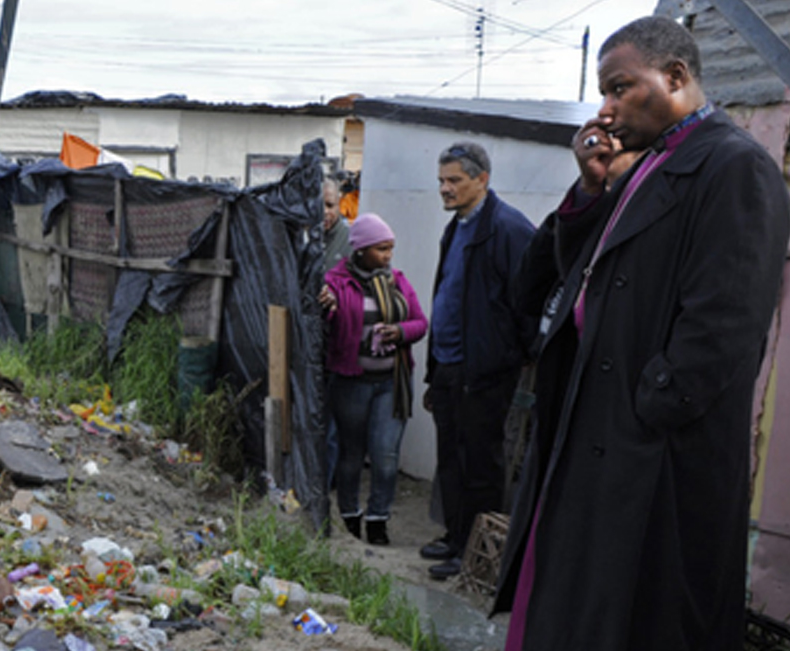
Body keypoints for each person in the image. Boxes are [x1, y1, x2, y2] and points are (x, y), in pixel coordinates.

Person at [495, 16, 790, 650]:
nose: (605, 108)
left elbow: (726, 323)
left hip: (648, 449)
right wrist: (591, 189)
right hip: (594, 428)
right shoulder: (649, 167)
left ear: (676, 77)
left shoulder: (734, 167)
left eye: (620, 87)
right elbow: (561, 279)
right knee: (572, 607)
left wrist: (648, 406)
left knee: (637, 616)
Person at [420, 141, 534, 580]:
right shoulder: (457, 227)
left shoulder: (507, 228)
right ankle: (454, 536)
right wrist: (434, 372)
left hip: (483, 371)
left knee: (480, 462)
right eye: (442, 181)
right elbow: (447, 295)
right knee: (450, 457)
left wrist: (511, 356)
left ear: (481, 180)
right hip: (450, 367)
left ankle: (474, 551)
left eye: (454, 181)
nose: (445, 189)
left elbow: (528, 298)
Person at [318, 213, 426, 544]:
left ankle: (378, 520)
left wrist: (399, 331)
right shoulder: (335, 283)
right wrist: (327, 308)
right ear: (361, 249)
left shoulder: (397, 281)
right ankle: (350, 517)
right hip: (351, 382)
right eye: (381, 249)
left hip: (390, 384)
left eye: (391, 248)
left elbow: (420, 323)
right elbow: (323, 328)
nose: (388, 256)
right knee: (351, 455)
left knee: (386, 455)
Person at [321, 177, 352, 269]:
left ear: (339, 205)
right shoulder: (299, 239)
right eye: (318, 205)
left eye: (330, 205)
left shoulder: (352, 241)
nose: (325, 211)